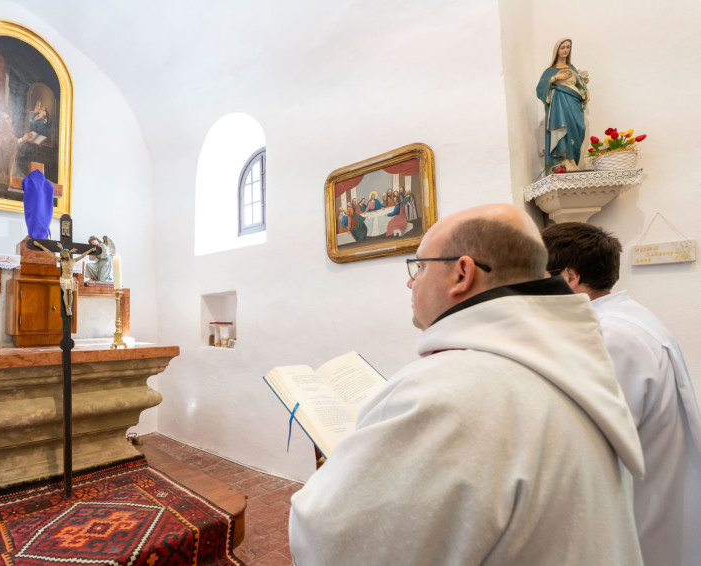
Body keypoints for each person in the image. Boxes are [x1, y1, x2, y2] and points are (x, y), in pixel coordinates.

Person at [289, 204, 644, 565]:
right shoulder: (565, 359)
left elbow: (335, 541)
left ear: (462, 274)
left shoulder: (449, 392)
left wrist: (341, 471)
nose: (411, 282)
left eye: (419, 267)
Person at [542, 222, 701, 566]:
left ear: (569, 277)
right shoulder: (627, 319)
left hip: (639, 518)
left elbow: (593, 451)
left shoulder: (607, 336)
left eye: (539, 276)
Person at [536, 38, 589, 174]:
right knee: (562, 129)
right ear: (557, 50)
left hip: (574, 104)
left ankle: (572, 162)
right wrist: (555, 79)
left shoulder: (572, 69)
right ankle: (562, 163)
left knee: (579, 128)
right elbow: (540, 89)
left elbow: (580, 86)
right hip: (558, 106)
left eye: (568, 47)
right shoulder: (550, 71)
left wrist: (585, 91)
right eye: (563, 47)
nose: (566, 50)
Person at [33, 241, 96, 316]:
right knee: (66, 292)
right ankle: (67, 308)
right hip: (64, 278)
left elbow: (82, 255)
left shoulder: (72, 260)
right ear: (62, 256)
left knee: (70, 293)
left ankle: (69, 307)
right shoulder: (61, 261)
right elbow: (49, 253)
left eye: (66, 254)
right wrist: (39, 245)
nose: (65, 255)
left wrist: (90, 250)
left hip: (70, 279)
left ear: (69, 253)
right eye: (64, 255)